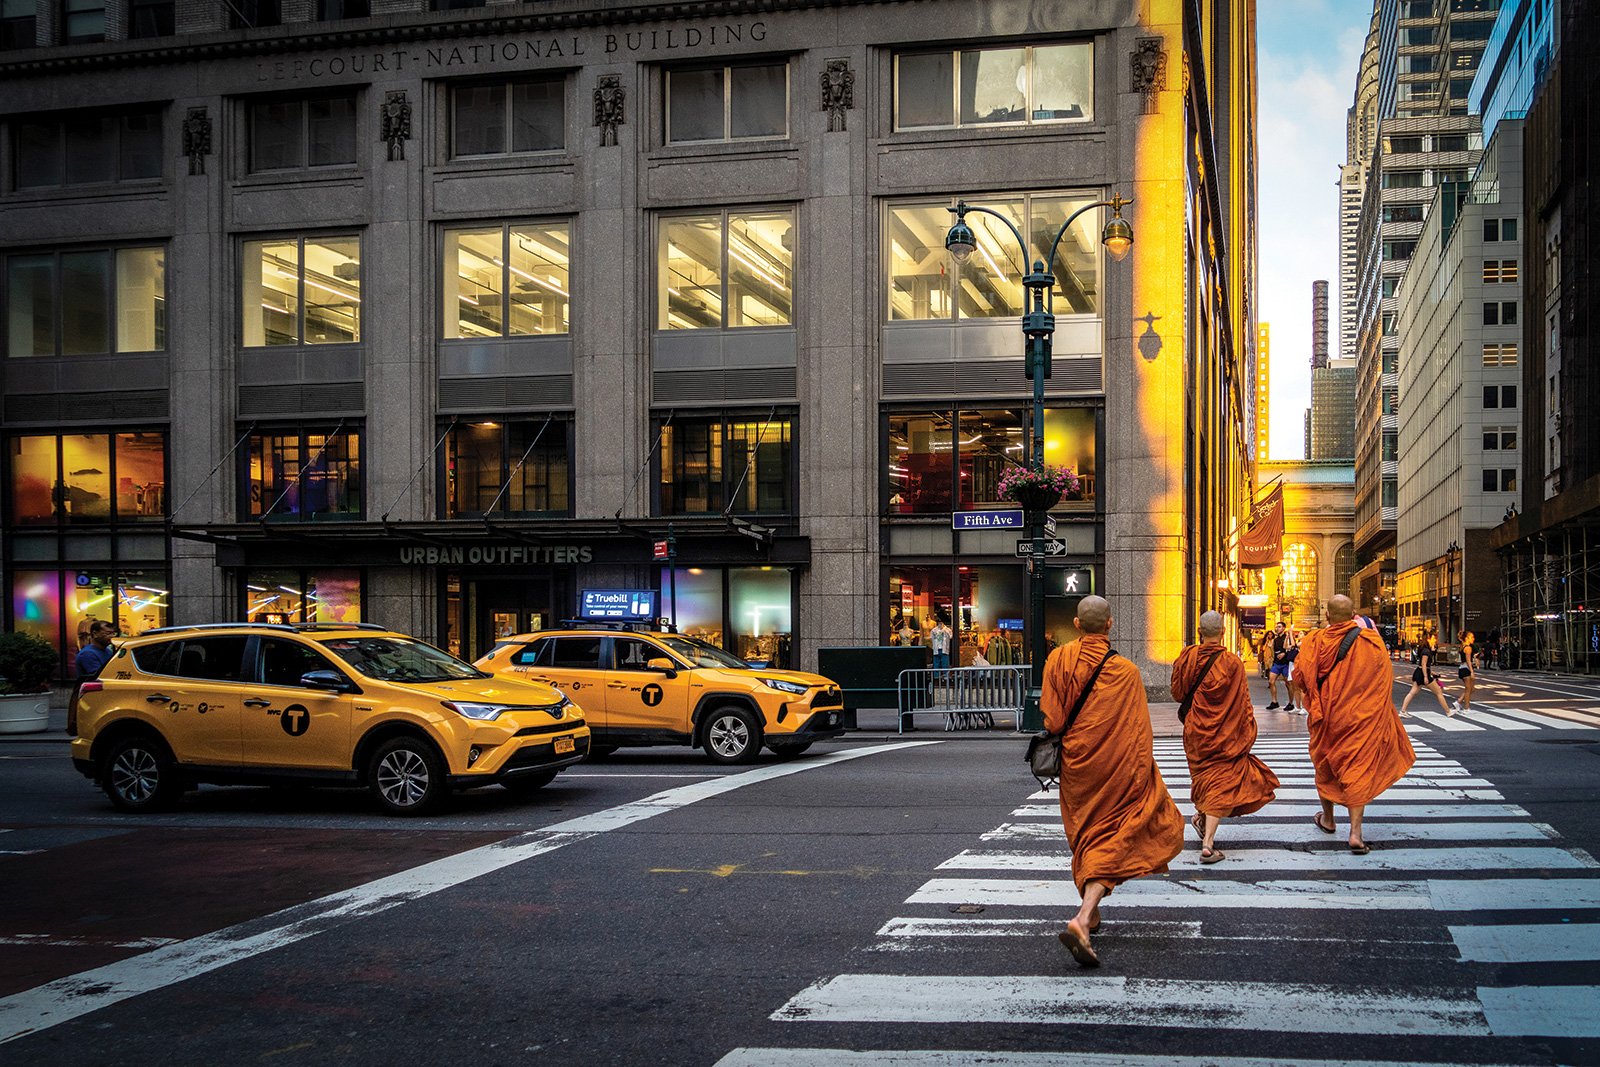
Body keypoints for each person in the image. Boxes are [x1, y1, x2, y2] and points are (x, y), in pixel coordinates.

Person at [1042, 595, 1184, 968]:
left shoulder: (1058, 659)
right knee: (1114, 835)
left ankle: (1092, 912)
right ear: (1109, 625)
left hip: (1078, 767)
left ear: (1076, 624)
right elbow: (1140, 734)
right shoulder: (1126, 672)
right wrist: (1143, 774)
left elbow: (1053, 722)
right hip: (1118, 769)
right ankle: (1085, 917)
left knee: (1088, 833)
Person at [1295, 595, 1417, 854]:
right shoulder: (1371, 641)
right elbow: (1384, 681)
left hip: (1328, 716)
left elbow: (1300, 677)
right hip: (1360, 717)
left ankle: (1328, 820)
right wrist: (1378, 710)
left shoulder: (1315, 640)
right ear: (1354, 615)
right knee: (1357, 769)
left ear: (1327, 616)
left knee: (1324, 764)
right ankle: (1355, 832)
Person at [1170, 611, 1280, 864]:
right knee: (1219, 782)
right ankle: (1208, 841)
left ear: (1199, 632)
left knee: (1205, 779)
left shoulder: (1187, 658)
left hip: (1197, 732)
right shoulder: (1232, 663)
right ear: (1222, 633)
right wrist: (1247, 729)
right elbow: (1242, 703)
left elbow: (1177, 694)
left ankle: (1203, 825)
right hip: (1226, 734)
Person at [1399, 636, 1453, 718]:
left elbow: (1424, 665)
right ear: (1429, 640)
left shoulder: (1424, 650)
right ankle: (1448, 711)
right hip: (1423, 674)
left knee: (1412, 692)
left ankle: (1403, 710)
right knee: (1438, 692)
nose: (1435, 641)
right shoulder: (1426, 651)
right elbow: (1424, 664)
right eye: (1434, 639)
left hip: (1420, 672)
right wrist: (1426, 677)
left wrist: (1431, 672)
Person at [1266, 621, 1298, 711]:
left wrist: (1284, 653)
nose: (1277, 628)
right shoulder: (1275, 640)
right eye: (1276, 627)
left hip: (1285, 664)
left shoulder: (1287, 638)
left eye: (1279, 627)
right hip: (1277, 663)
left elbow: (1292, 647)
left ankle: (1291, 703)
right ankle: (1274, 702)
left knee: (1288, 684)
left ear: (1284, 628)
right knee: (1271, 681)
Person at [1455, 629, 1477, 712]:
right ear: (1467, 638)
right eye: (1472, 637)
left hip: (1462, 668)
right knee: (1468, 689)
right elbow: (1468, 661)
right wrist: (1472, 672)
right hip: (1466, 668)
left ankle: (1459, 701)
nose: (1473, 639)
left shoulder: (1462, 646)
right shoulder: (1468, 648)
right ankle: (1466, 708)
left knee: (1471, 688)